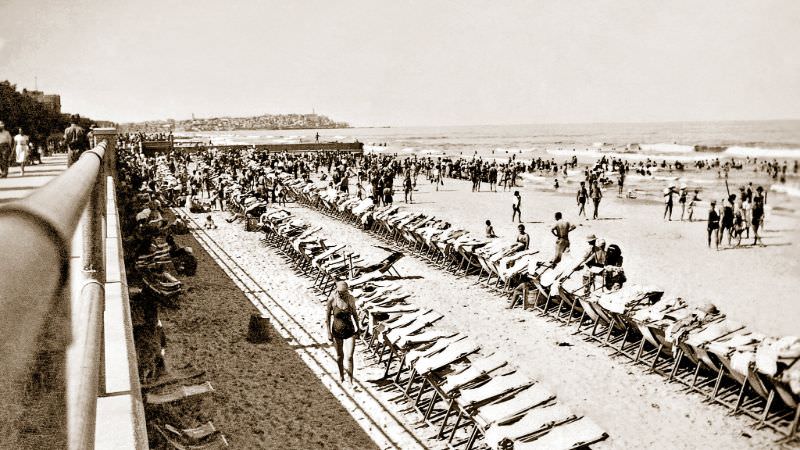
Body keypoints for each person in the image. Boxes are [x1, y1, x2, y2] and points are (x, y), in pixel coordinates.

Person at [326, 281, 360, 383]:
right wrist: (328, 332)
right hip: (337, 330)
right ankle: (341, 376)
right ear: (337, 291)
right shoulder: (332, 299)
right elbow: (327, 317)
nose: (343, 294)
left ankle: (350, 379)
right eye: (341, 292)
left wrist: (358, 328)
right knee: (340, 355)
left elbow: (354, 314)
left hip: (349, 330)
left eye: (345, 292)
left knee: (349, 356)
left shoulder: (350, 299)